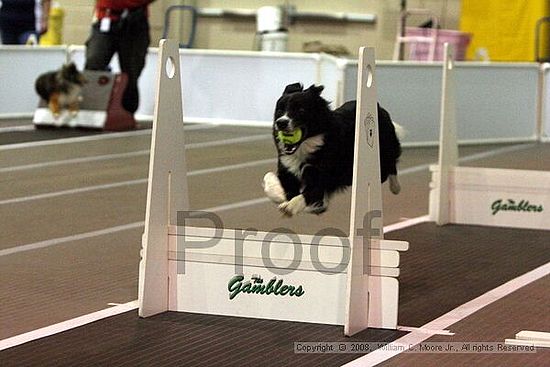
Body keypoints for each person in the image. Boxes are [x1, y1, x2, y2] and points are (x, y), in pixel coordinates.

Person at [85, 0, 155, 114]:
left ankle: (127, 113)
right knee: (94, 62)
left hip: (135, 20)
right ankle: (91, 109)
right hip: (106, 18)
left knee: (131, 72)